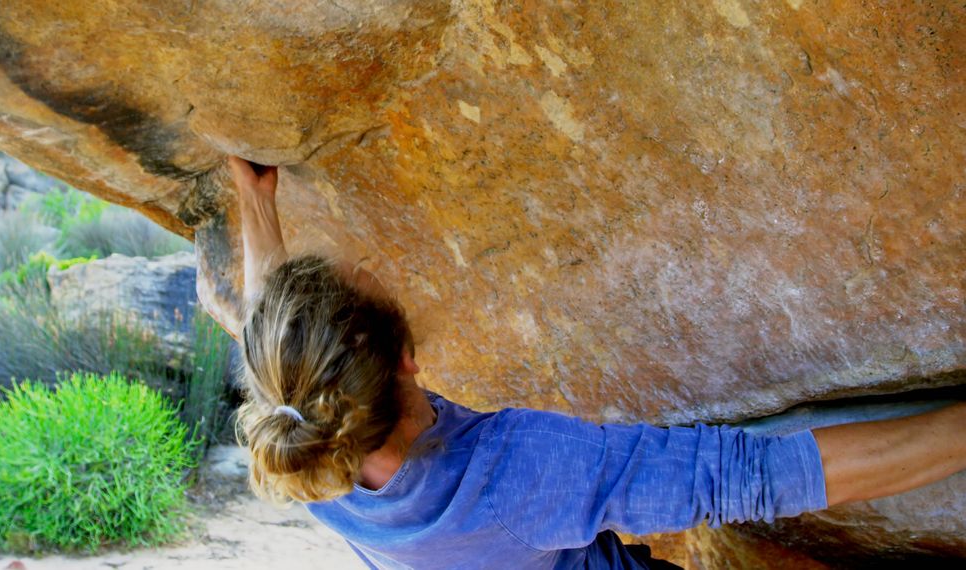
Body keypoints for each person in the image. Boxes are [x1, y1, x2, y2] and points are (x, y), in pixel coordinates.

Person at [227, 156, 966, 569]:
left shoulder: (305, 454)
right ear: (410, 362)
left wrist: (254, 204)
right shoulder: (515, 470)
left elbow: (272, 334)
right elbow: (748, 478)